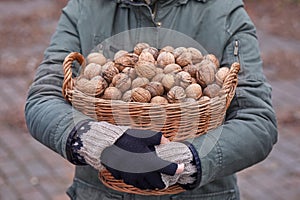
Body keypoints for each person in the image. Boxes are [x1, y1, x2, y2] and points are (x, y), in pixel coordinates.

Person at [25, 0, 278, 199]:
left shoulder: (223, 10)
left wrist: (188, 159)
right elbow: (43, 97)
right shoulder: (85, 7)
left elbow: (258, 119)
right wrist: (95, 140)